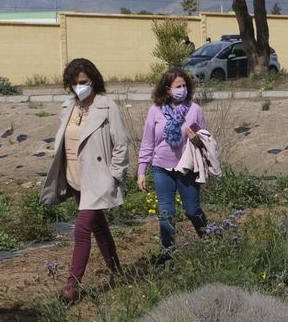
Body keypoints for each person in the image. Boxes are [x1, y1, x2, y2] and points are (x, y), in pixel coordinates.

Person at [42, 57, 129, 304]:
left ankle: (72, 286)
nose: (79, 87)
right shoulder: (68, 107)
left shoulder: (107, 106)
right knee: (99, 227)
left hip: (99, 178)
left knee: (81, 230)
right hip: (75, 176)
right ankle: (117, 271)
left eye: (83, 82)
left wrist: (115, 174)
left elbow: (121, 144)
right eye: (74, 83)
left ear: (93, 80)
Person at [137, 68, 209, 255]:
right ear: (168, 89)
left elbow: (206, 139)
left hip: (187, 168)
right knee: (166, 213)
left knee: (192, 210)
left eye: (185, 86)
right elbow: (148, 142)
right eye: (178, 86)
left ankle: (210, 240)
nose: (183, 89)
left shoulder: (195, 110)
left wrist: (196, 139)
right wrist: (142, 171)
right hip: (162, 167)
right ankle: (167, 252)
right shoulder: (155, 111)